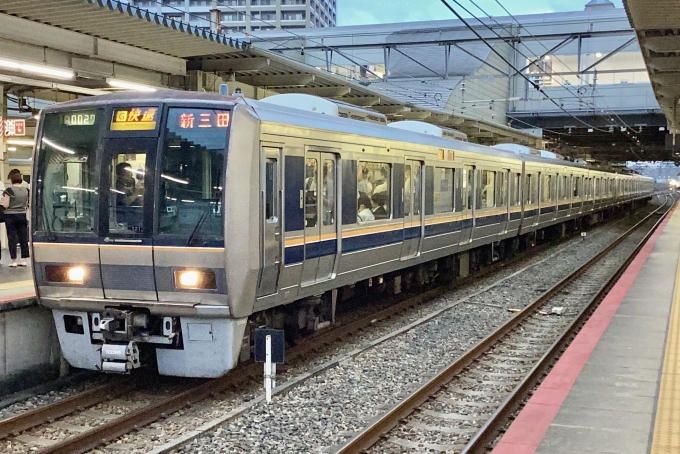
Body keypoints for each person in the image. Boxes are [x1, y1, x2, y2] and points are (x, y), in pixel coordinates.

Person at [1, 169, 30, 267]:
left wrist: (1, 202)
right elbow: (27, 203)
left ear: (11, 180)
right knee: (23, 238)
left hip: (10, 216)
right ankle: (23, 259)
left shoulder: (9, 190)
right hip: (22, 215)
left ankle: (14, 261)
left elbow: (6, 204)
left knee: (12, 238)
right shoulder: (26, 190)